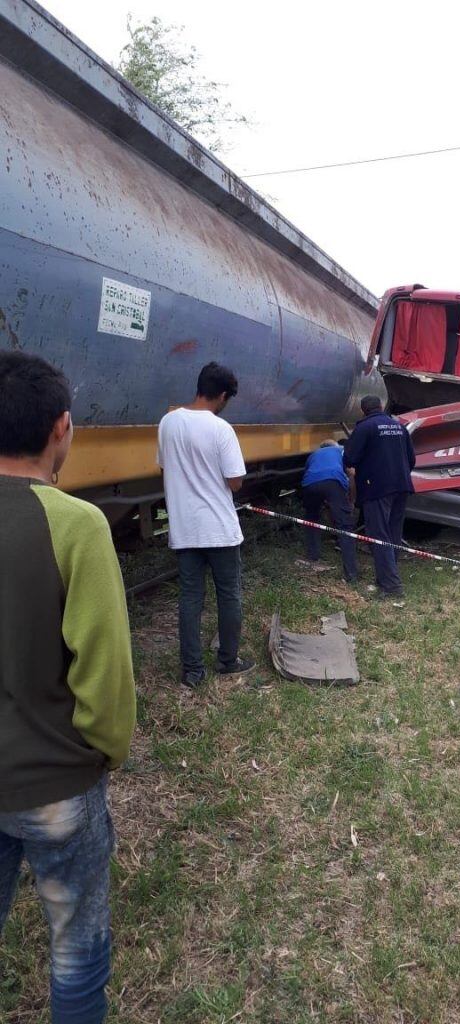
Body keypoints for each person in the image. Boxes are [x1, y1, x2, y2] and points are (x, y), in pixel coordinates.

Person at [0, 352, 136, 1023]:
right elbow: (105, 673)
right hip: (57, 782)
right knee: (76, 954)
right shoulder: (78, 525)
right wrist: (104, 752)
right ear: (62, 427)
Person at [158, 362, 254, 687]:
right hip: (220, 530)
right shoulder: (221, 429)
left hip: (185, 530)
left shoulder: (168, 423)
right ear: (223, 395)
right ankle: (228, 660)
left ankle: (193, 671)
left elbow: (164, 469)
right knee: (228, 595)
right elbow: (236, 481)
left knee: (190, 598)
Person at [343, 395, 416, 598]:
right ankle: (388, 576)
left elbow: (349, 458)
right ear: (382, 407)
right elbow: (412, 459)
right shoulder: (399, 427)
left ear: (362, 410)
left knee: (379, 535)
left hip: (377, 487)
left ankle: (391, 586)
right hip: (402, 485)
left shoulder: (364, 428)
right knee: (393, 533)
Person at [300, 440, 358, 583]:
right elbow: (351, 474)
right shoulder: (341, 449)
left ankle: (313, 556)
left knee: (311, 519)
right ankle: (351, 574)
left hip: (309, 483)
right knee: (345, 527)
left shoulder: (313, 454)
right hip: (333, 480)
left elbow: (310, 472)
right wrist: (351, 501)